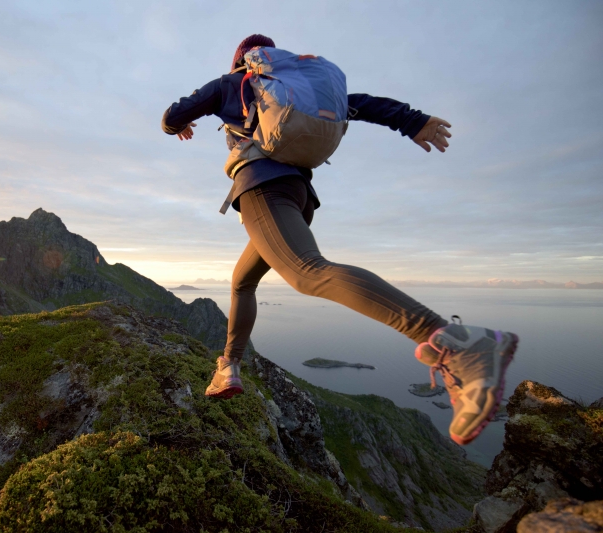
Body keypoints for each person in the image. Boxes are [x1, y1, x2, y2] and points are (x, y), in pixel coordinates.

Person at [161, 34, 517, 446]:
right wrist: (412, 120)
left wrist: (179, 126)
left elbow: (172, 115)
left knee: (307, 273)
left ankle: (455, 344)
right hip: (297, 196)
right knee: (243, 280)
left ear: (241, 62)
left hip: (263, 191)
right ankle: (229, 368)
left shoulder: (233, 84)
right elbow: (362, 103)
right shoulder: (302, 86)